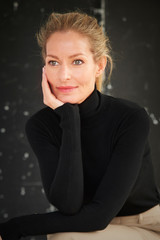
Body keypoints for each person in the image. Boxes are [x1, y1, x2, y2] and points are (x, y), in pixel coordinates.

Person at [0, 11, 160, 240]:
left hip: (146, 225)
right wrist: (69, 118)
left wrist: (9, 229)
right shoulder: (40, 126)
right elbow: (69, 204)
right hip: (84, 223)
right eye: (53, 62)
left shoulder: (130, 117)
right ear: (44, 69)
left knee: (66, 238)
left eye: (77, 61)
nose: (64, 75)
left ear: (99, 65)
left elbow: (98, 216)